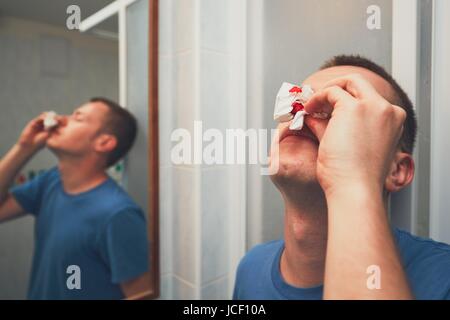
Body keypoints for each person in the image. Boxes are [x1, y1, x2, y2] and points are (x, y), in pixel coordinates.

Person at [233, 55, 450, 300]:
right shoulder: (250, 267)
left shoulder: (443, 280)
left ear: (396, 171)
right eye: (297, 100)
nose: (302, 116)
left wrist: (351, 177)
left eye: (339, 110)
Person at [0, 97, 149, 299]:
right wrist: (24, 147)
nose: (60, 119)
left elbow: (140, 294)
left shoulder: (118, 214)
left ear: (103, 142)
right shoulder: (51, 182)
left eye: (78, 118)